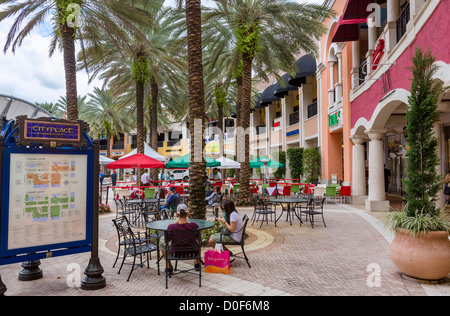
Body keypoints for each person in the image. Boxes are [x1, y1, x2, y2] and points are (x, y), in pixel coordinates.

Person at [160, 204, 200, 273]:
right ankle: (197, 263)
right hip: (192, 251)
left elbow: (167, 240)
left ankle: (168, 266)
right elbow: (199, 239)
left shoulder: (171, 227)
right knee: (198, 242)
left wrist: (176, 222)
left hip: (176, 252)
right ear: (187, 213)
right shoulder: (194, 226)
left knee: (162, 242)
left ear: (176, 214)